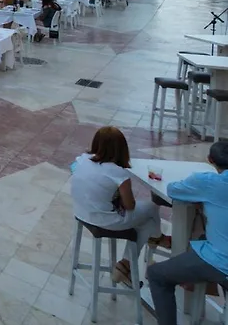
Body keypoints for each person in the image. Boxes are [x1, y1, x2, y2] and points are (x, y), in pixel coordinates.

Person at [148, 141, 228, 324]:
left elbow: (173, 190)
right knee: (202, 238)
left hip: (221, 262)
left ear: (210, 160)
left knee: (156, 275)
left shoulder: (207, 182)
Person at [71, 127, 162, 288]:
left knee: (147, 223)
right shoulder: (118, 173)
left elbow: (79, 176)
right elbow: (130, 205)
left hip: (81, 212)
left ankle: (128, 264)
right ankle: (155, 240)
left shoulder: (81, 159)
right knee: (151, 209)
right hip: (106, 220)